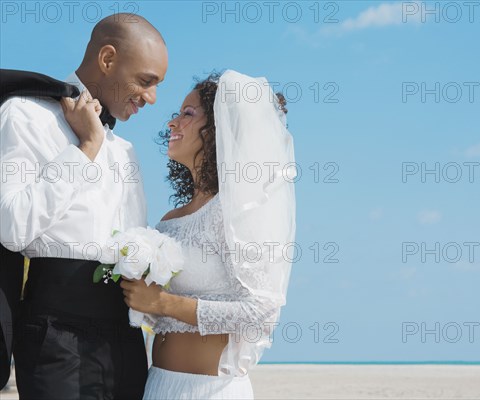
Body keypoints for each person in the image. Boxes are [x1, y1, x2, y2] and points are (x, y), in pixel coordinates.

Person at [65, 69, 296, 399]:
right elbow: (150, 310)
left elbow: (261, 312)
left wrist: (165, 303)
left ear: (220, 128)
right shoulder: (170, 220)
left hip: (210, 390)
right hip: (157, 385)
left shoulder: (237, 214)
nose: (173, 123)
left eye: (188, 114)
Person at [0, 13, 168, 399]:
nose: (152, 98)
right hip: (56, 336)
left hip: (125, 339)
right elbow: (11, 229)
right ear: (108, 60)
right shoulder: (25, 115)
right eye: (146, 81)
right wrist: (86, 150)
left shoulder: (127, 151)